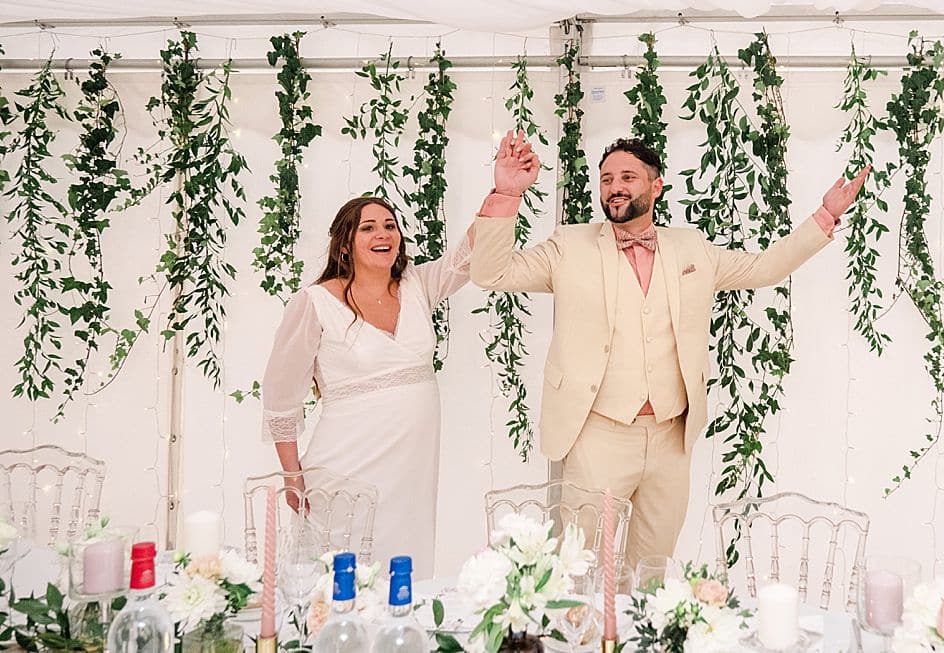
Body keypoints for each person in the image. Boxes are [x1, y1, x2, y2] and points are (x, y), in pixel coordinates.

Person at [470, 133, 868, 567]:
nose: (615, 187)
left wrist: (826, 215)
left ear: (656, 185)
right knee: (580, 569)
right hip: (597, 433)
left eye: (627, 176)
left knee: (652, 570)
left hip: (670, 438)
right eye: (606, 180)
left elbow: (764, 268)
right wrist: (507, 194)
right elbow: (492, 273)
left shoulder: (691, 247)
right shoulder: (569, 245)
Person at [261, 195, 501, 575]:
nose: (383, 234)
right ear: (345, 243)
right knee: (338, 569)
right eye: (368, 227)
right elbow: (280, 396)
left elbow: (467, 255)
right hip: (346, 463)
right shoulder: (315, 302)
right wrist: (292, 475)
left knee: (402, 566)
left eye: (390, 226)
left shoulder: (417, 284)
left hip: (411, 473)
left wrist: (505, 193)